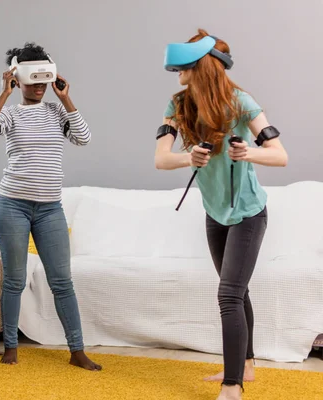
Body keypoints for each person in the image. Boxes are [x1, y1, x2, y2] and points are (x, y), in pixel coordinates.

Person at [155, 29, 288, 400]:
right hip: (215, 213)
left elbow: (280, 155)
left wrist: (249, 153)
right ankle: (245, 365)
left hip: (248, 213)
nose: (177, 72)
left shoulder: (241, 102)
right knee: (237, 290)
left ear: (201, 65)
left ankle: (233, 387)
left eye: (183, 66)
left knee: (228, 294)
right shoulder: (178, 104)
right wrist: (188, 157)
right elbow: (161, 159)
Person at [0, 42, 101, 371]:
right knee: (14, 280)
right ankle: (12, 348)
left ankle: (77, 350)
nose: (40, 86)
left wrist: (66, 98)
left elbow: (84, 138)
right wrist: (4, 93)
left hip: (49, 209)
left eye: (44, 78)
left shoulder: (56, 111)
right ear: (19, 79)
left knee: (62, 281)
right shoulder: (11, 114)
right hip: (12, 206)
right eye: (32, 79)